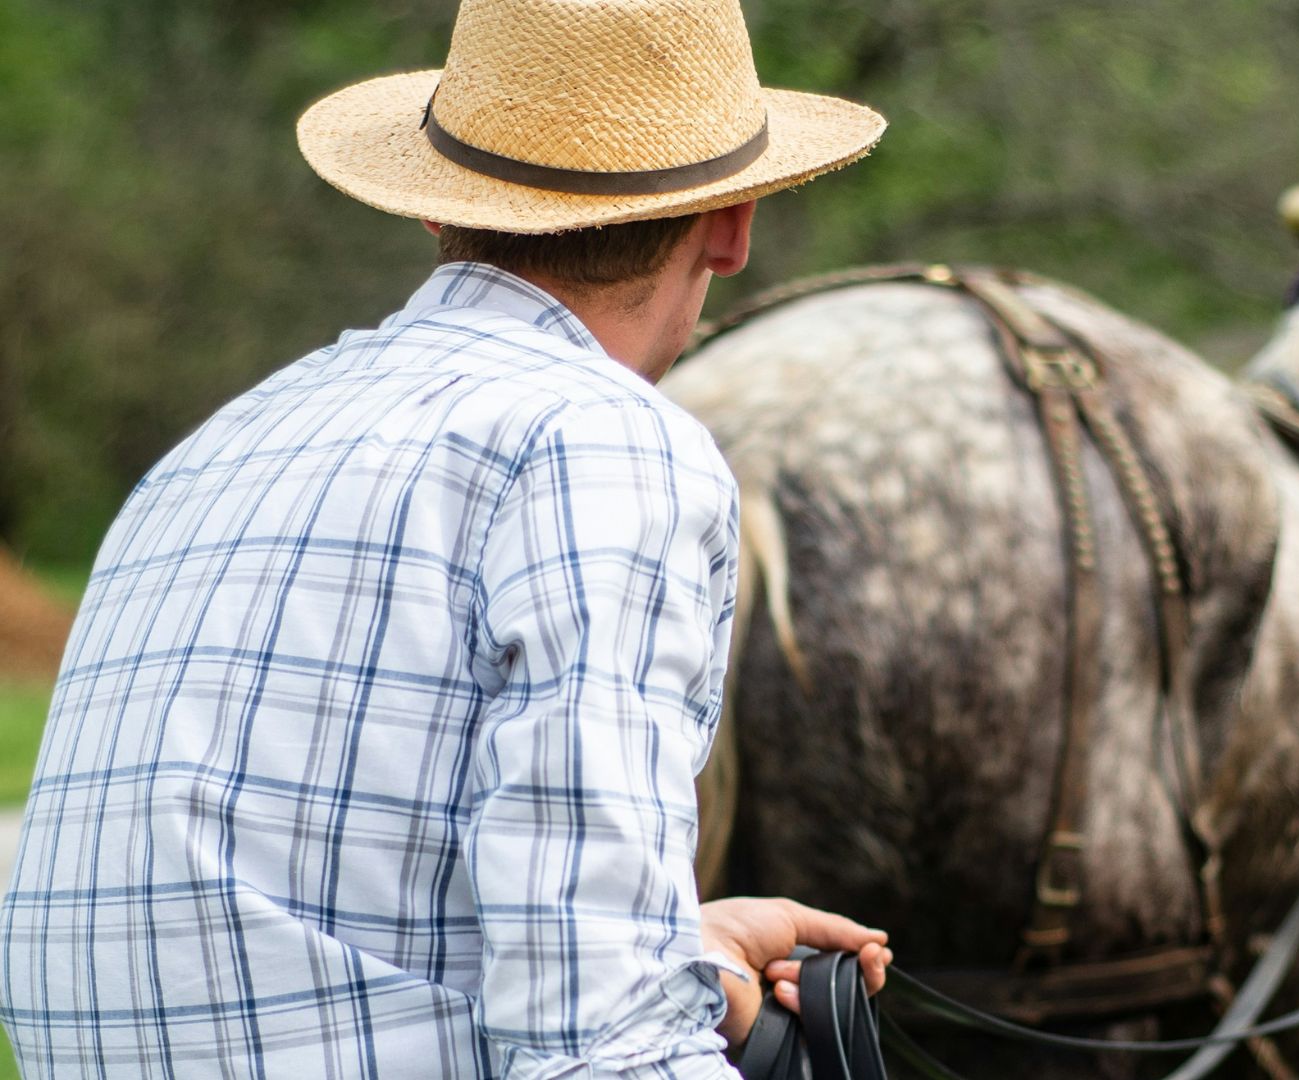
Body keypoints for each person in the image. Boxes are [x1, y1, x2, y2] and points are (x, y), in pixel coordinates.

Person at [0, 0, 890, 1075]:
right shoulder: (602, 439)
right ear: (732, 225)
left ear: (438, 208)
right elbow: (602, 1043)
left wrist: (677, 950)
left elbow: (280, 916)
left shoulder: (215, 446)